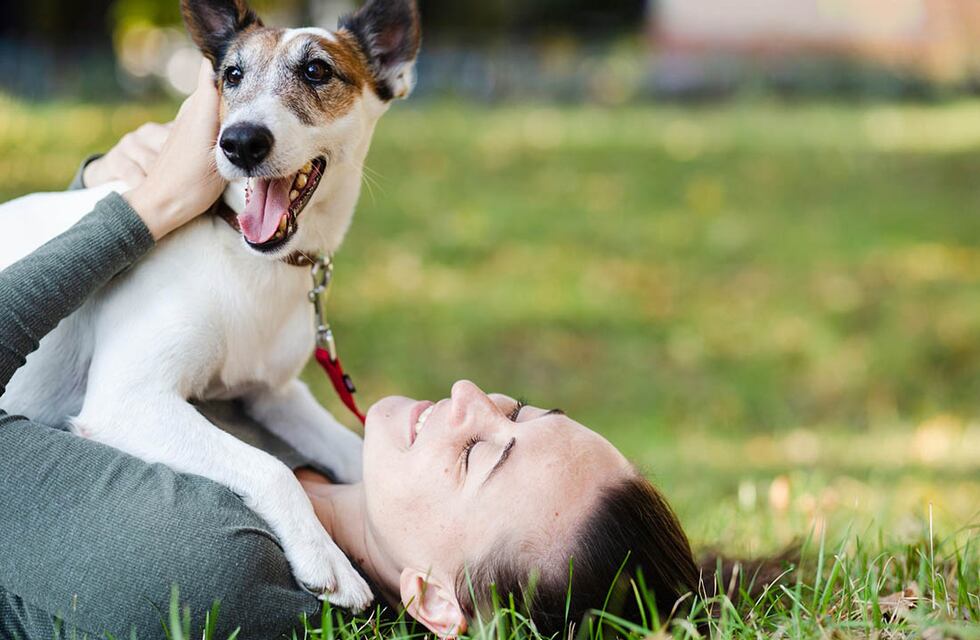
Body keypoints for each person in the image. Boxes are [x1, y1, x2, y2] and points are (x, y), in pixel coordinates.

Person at [0, 63, 699, 640]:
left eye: (477, 454)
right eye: (517, 409)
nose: (466, 395)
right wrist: (96, 187)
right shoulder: (287, 440)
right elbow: (68, 354)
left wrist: (147, 209)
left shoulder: (210, 568)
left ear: (435, 600)